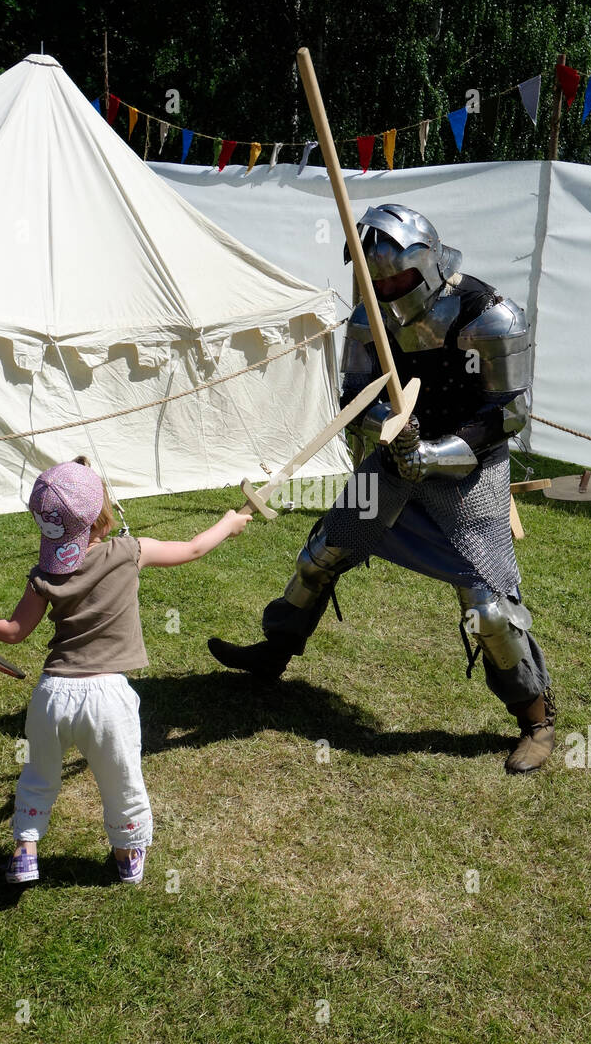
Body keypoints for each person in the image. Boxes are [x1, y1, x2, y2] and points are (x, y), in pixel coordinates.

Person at [209, 203, 556, 774]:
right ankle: (275, 651)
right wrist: (390, 434)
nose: (385, 288)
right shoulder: (372, 316)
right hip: (396, 461)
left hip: (468, 473)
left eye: (393, 277)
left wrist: (435, 453)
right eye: (375, 279)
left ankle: (536, 718)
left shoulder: (489, 316)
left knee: (489, 608)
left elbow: (509, 415)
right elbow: (354, 394)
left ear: (425, 264)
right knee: (324, 551)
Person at [0, 457, 251, 885]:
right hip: (108, 699)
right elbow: (194, 548)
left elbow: (13, 632)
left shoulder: (45, 574)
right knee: (121, 780)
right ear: (105, 518)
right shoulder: (129, 552)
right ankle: (126, 856)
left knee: (37, 777)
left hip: (52, 696)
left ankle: (26, 852)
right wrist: (228, 523)